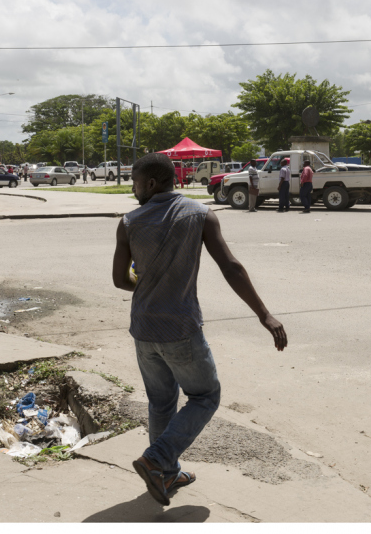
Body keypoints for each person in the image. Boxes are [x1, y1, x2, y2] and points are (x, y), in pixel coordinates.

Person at [112, 153, 287, 507]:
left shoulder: (129, 221)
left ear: (150, 183)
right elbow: (231, 268)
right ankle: (157, 459)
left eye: (133, 181)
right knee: (205, 396)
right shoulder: (199, 215)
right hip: (180, 327)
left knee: (161, 402)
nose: (132, 187)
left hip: (143, 328)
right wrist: (264, 314)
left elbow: (120, 280)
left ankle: (167, 470)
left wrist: (148, 287)